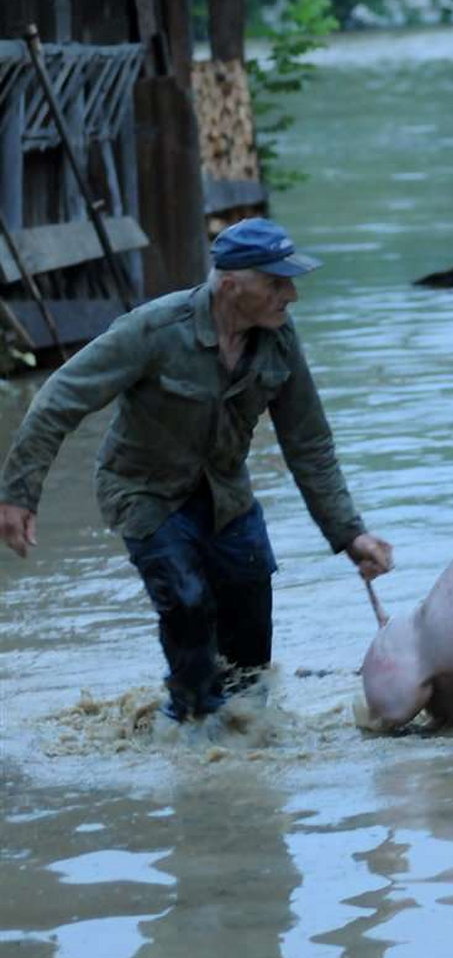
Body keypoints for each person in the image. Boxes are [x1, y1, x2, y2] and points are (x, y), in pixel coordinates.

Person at [0, 217, 392, 721]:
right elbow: (59, 401)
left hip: (227, 495)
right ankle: (190, 723)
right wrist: (18, 494)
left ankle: (248, 733)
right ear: (230, 285)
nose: (290, 294)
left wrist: (349, 533)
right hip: (144, 492)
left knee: (251, 610)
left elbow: (308, 443)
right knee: (186, 602)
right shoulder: (154, 331)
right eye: (276, 282)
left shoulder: (279, 340)